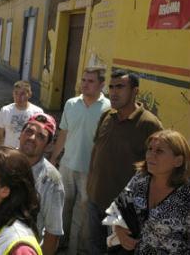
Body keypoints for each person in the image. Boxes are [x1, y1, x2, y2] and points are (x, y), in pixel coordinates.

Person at [86, 69, 163, 254]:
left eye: (120, 86)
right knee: (94, 248)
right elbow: (96, 151)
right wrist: (89, 188)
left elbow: (159, 170)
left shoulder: (149, 124)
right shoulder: (107, 116)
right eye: (111, 87)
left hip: (124, 212)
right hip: (95, 201)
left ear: (135, 91)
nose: (113, 92)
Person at [49, 67, 110, 254]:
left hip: (90, 170)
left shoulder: (108, 108)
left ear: (101, 84)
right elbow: (64, 133)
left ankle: (74, 250)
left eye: (91, 81)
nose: (85, 84)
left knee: (82, 213)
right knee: (63, 207)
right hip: (67, 165)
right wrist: (53, 159)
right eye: (83, 80)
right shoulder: (71, 103)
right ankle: (60, 244)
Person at [113, 130, 190, 254]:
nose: (150, 155)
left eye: (159, 151)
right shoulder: (140, 179)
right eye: (150, 149)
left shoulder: (186, 195)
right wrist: (119, 229)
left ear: (178, 161)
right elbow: (118, 207)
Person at [18, 112, 65, 255]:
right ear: (21, 134)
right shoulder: (2, 162)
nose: (32, 138)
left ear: (49, 146)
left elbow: (52, 233)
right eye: (29, 131)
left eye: (40, 136)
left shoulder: (51, 181)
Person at [0, 80, 43, 148]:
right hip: (9, 153)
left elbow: (39, 136)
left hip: (27, 154)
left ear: (29, 94)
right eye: (16, 93)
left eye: (22, 94)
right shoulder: (5, 111)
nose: (18, 97)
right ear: (13, 94)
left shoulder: (37, 112)